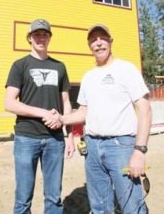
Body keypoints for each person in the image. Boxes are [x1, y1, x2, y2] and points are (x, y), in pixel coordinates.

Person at [44, 23, 152, 214]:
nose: (98, 43)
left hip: (121, 147)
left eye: (102, 38)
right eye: (94, 40)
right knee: (100, 207)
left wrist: (139, 150)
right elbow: (82, 113)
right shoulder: (88, 77)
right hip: (92, 149)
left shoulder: (126, 69)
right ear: (89, 46)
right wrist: (61, 118)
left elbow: (144, 109)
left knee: (132, 207)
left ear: (110, 41)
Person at [4, 18, 74, 214]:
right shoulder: (20, 65)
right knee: (23, 199)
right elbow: (9, 103)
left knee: (54, 198)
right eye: (37, 34)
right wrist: (43, 112)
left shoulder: (60, 66)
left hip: (55, 139)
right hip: (26, 138)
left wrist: (69, 136)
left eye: (45, 34)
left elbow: (66, 103)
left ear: (50, 38)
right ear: (29, 38)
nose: (41, 38)